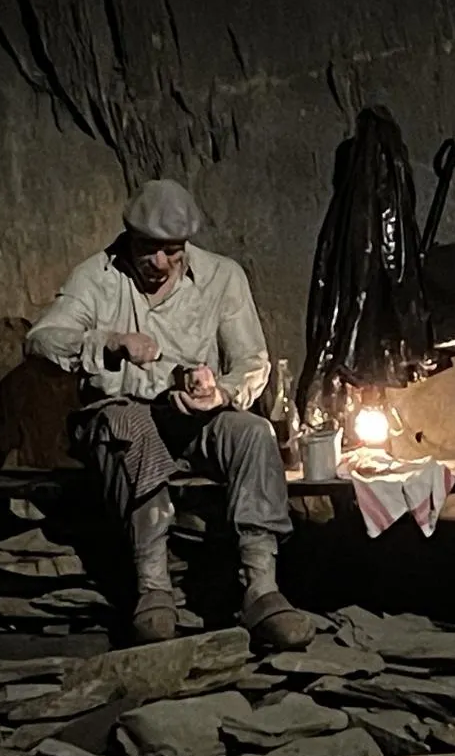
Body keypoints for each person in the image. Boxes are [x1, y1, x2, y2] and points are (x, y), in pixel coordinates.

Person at [25, 178, 312, 650]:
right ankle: (154, 588)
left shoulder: (222, 276)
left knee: (254, 433)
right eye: (148, 249)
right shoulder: (97, 276)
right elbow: (40, 342)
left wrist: (220, 393)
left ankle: (261, 587)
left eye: (172, 251)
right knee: (129, 424)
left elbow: (251, 361)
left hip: (195, 419)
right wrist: (109, 343)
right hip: (122, 415)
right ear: (130, 239)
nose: (160, 263)